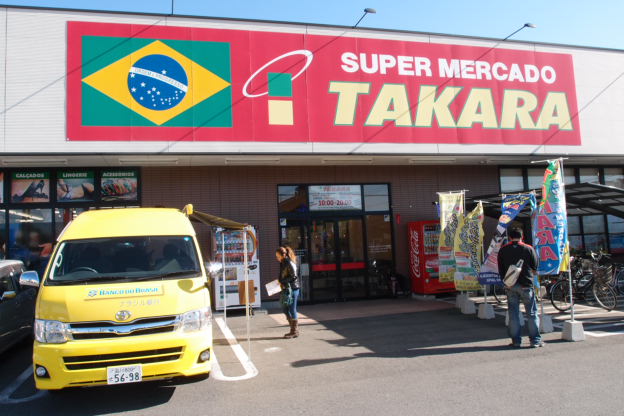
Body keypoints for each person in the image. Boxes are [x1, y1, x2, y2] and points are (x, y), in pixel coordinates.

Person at [497, 227, 543, 348]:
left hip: (510, 285)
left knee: (513, 314)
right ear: (522, 236)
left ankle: (516, 341)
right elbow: (535, 267)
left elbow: (500, 269)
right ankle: (535, 341)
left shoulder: (503, 250)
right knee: (531, 313)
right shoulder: (528, 248)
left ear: (510, 237)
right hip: (526, 284)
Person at [276, 246, 300, 339]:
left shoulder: (288, 262)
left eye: (278, 256)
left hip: (293, 289)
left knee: (292, 309)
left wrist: (282, 281)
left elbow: (294, 276)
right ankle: (293, 329)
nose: (277, 258)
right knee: (285, 308)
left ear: (283, 255)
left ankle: (294, 331)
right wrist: (280, 281)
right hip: (286, 288)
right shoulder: (283, 262)